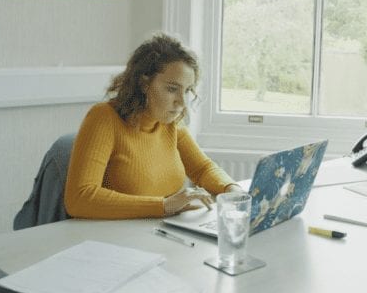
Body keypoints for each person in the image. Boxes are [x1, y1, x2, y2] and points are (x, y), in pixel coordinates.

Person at [64, 32, 243, 219]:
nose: (182, 102)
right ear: (144, 83)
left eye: (187, 90)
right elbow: (79, 199)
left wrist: (232, 189)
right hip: (114, 237)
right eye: (172, 89)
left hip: (160, 231)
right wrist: (164, 206)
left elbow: (203, 169)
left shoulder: (170, 123)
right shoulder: (104, 117)